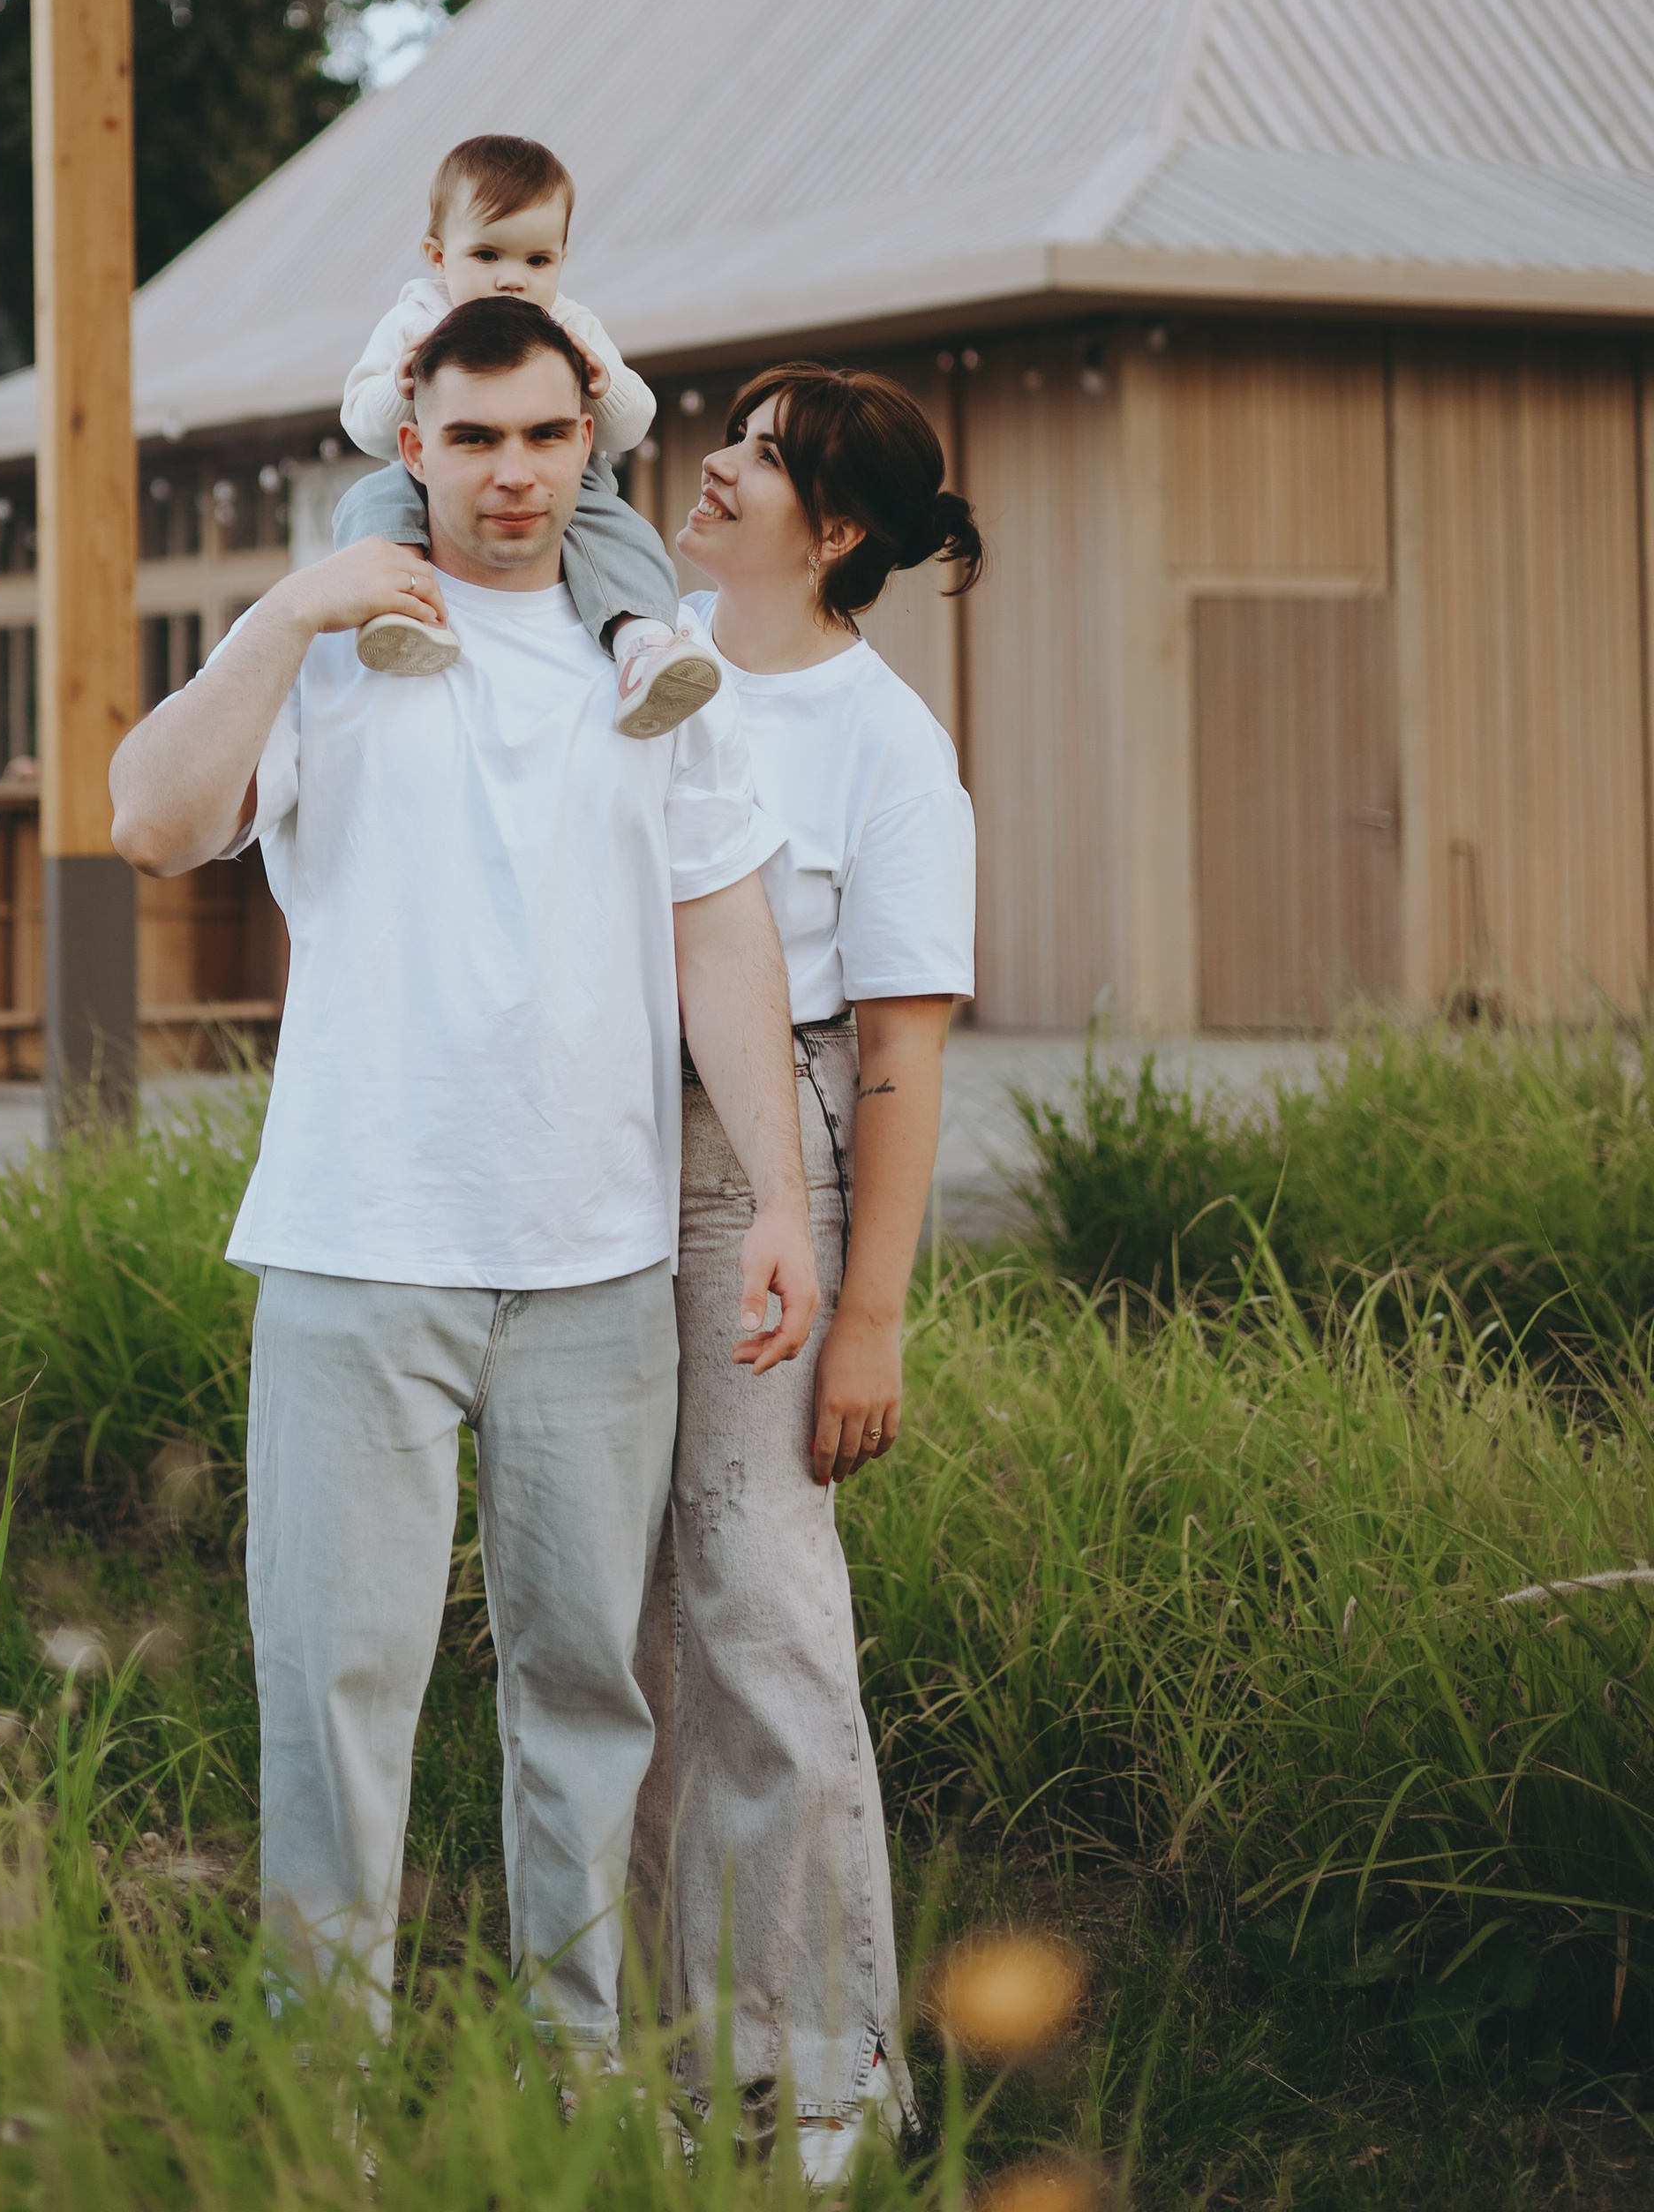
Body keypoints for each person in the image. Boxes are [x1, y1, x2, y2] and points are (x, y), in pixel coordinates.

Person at [109, 292, 819, 2064]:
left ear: (593, 442)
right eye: (472, 436)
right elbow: (148, 818)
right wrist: (280, 614)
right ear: (406, 441)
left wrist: (791, 1206)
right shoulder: (337, 644)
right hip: (359, 1250)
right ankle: (319, 2087)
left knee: (585, 1692)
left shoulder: (650, 660)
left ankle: (568, 2073)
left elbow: (723, 946)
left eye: (543, 437)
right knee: (334, 1689)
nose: (510, 474)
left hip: (593, 1262)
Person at [632, 363, 982, 2185]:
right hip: (590, 1159)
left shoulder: (880, 741)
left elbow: (903, 1058)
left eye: (758, 454)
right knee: (624, 1627)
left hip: (770, 1179)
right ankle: (661, 2054)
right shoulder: (628, 645)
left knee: (758, 1613)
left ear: (833, 526)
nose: (711, 461)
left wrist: (870, 1320)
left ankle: (813, 2074)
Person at [334, 130, 720, 739]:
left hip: (572, 482)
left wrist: (603, 379)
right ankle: (403, 609)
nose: (513, 279)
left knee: (620, 533)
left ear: (561, 260)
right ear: (438, 256)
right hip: (423, 471)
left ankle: (642, 642)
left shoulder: (570, 323)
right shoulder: (414, 318)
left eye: (537, 261)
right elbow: (363, 424)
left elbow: (630, 423)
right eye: (487, 255)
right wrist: (397, 383)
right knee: (369, 504)